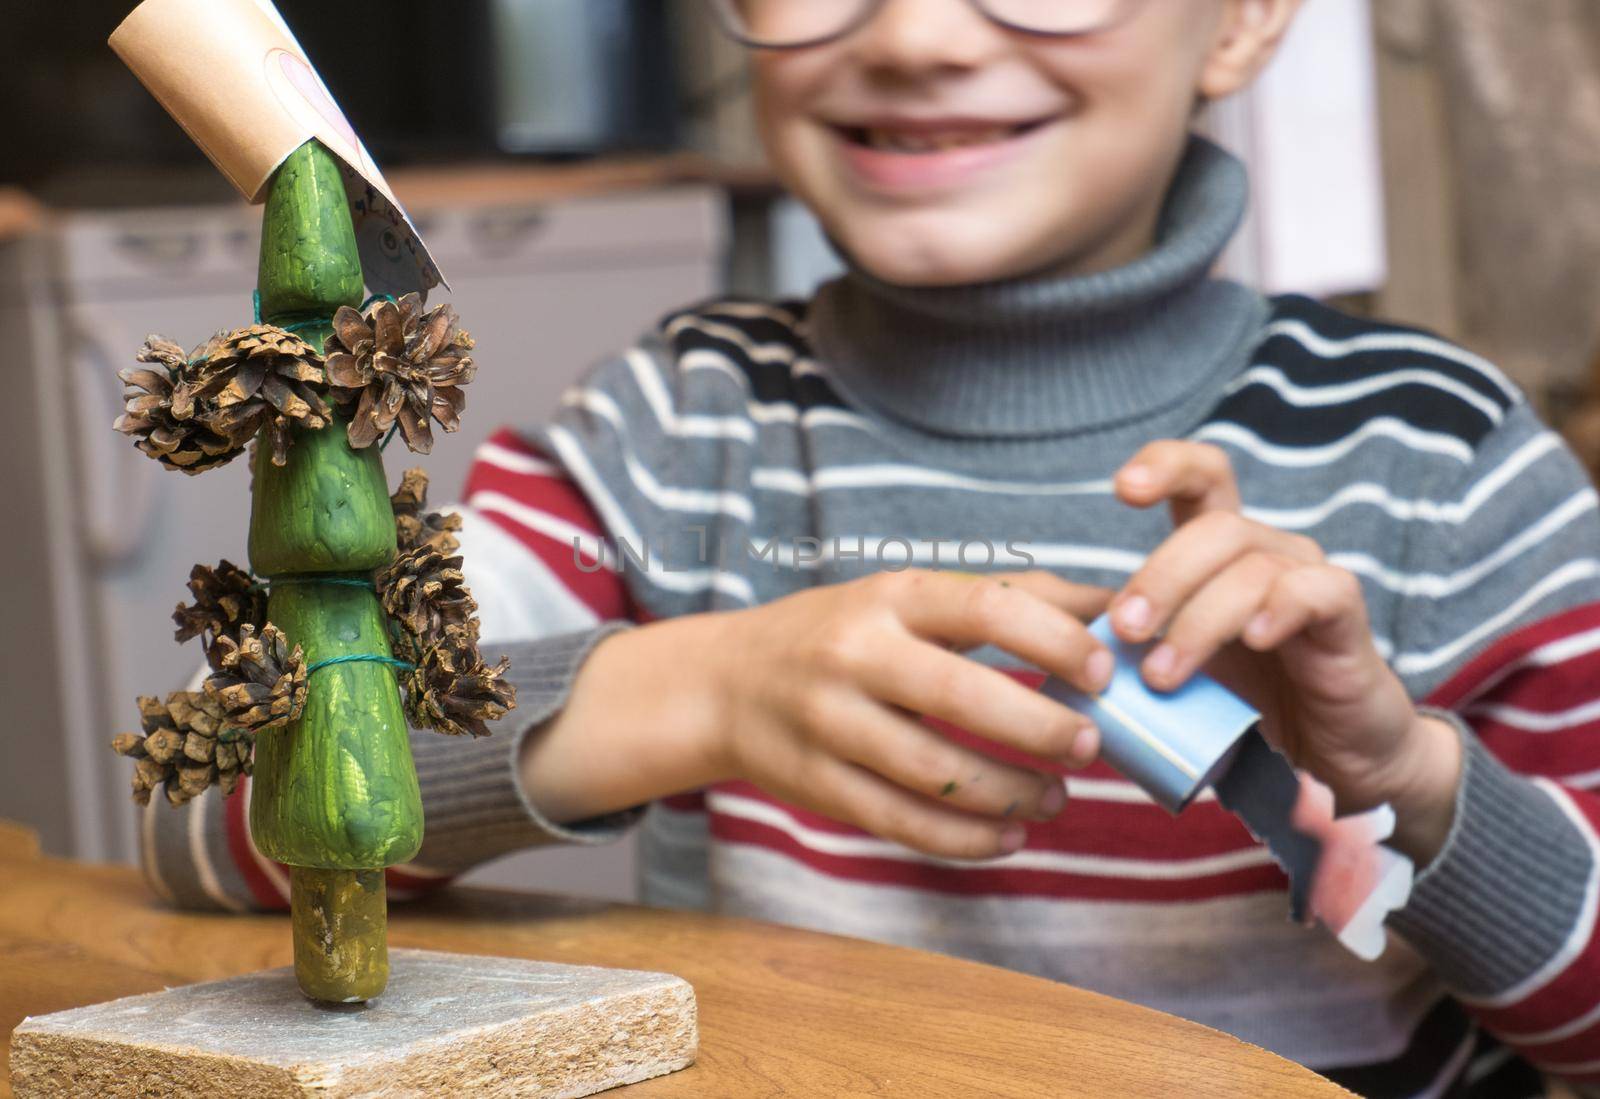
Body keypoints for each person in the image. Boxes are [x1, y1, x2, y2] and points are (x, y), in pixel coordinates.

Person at [145, 1, 1600, 1092]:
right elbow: (205, 816)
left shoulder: (1443, 454)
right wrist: (695, 692)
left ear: (1239, 18)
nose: (910, 34)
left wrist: (1408, 778)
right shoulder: (672, 426)